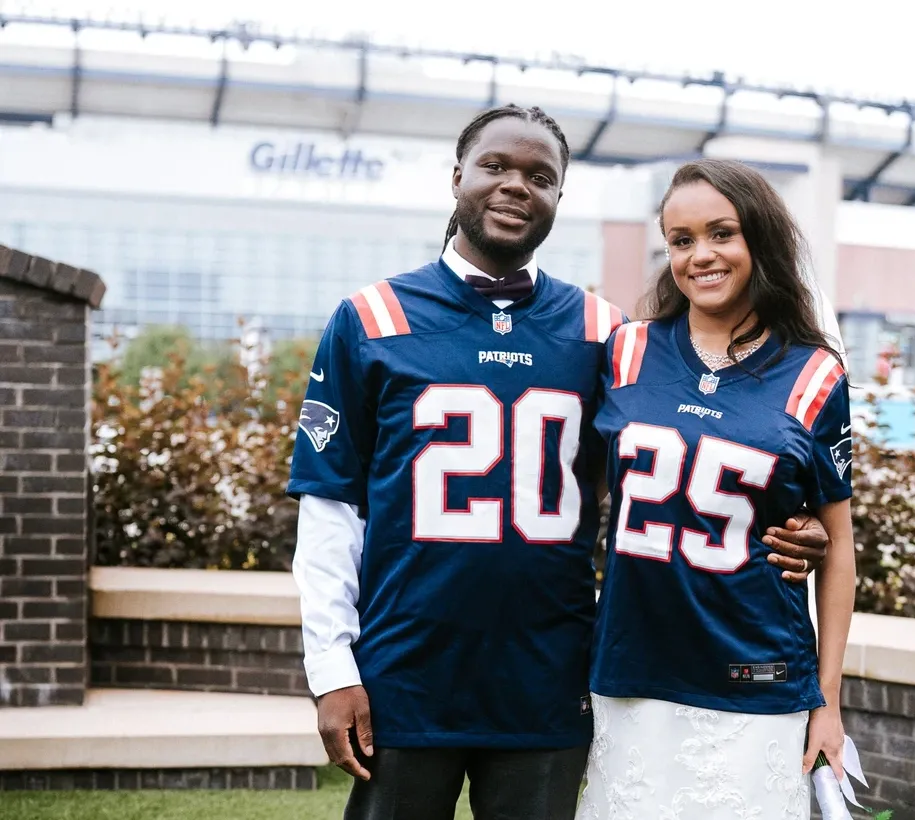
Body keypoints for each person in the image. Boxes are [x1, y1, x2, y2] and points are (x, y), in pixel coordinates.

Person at [287, 105, 834, 820]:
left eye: (539, 176)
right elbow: (330, 509)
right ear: (456, 178)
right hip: (405, 670)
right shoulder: (370, 317)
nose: (516, 185)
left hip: (549, 677)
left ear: (558, 199)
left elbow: (677, 465)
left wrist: (791, 523)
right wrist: (331, 669)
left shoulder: (605, 334)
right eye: (495, 167)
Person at [577, 158, 857, 820]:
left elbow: (839, 545)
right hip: (632, 677)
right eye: (680, 240)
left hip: (755, 680)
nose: (699, 255)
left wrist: (828, 701)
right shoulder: (624, 351)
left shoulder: (815, 374)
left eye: (720, 233)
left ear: (758, 237)